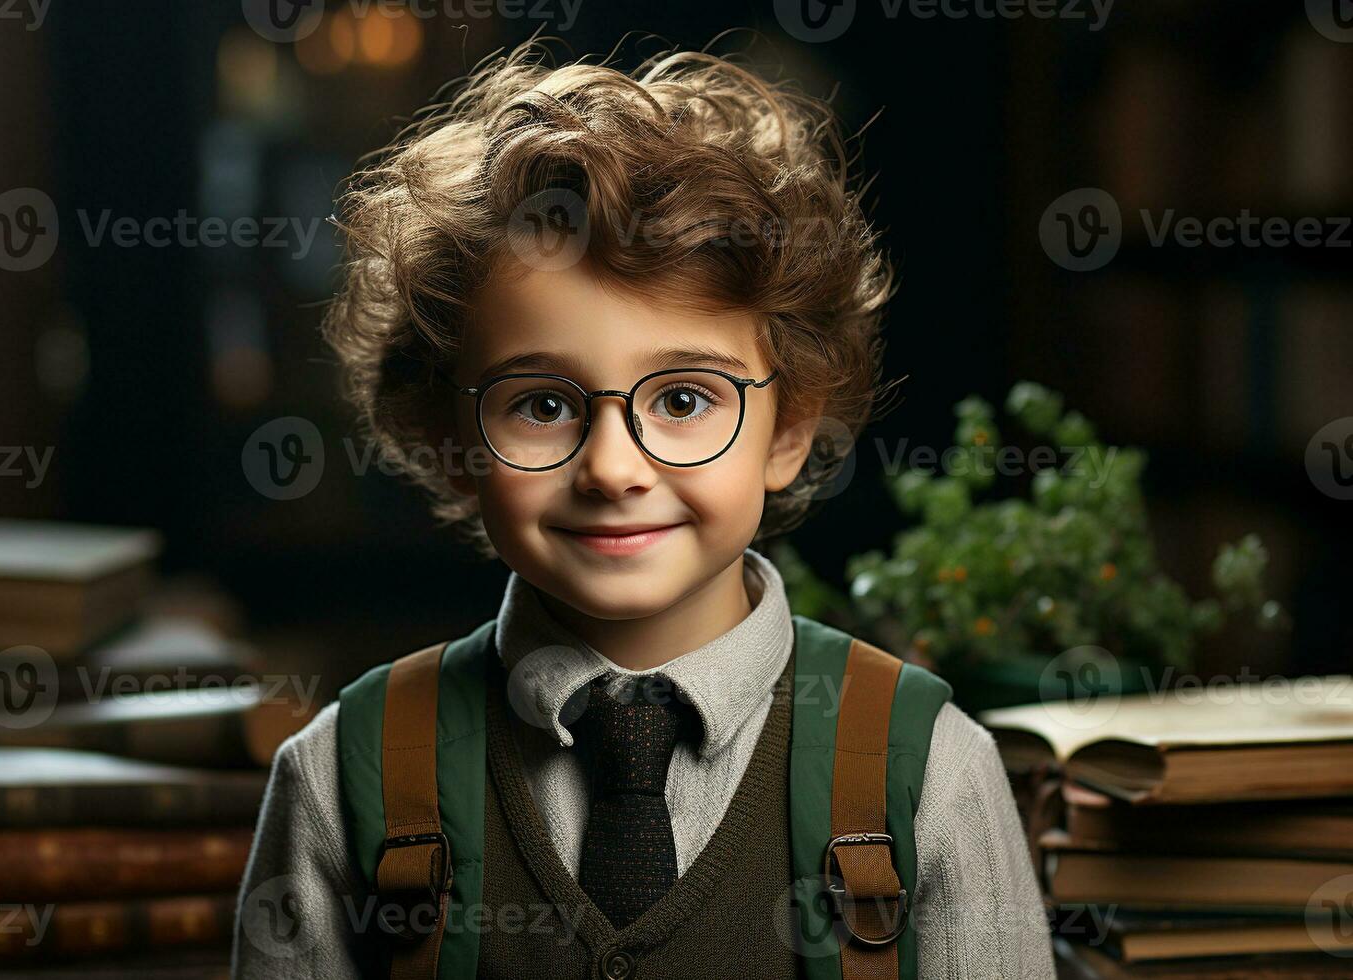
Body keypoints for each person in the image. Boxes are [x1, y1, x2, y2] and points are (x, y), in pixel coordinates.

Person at [232, 36, 1054, 979]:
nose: (614, 468)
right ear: (450, 442)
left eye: (685, 399)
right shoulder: (342, 778)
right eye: (542, 405)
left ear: (790, 429)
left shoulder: (930, 775)